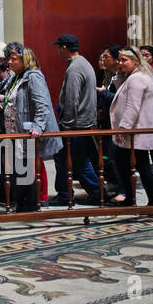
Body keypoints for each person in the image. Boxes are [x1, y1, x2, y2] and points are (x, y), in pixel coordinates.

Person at [2, 44, 63, 214]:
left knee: (27, 172)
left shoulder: (33, 76)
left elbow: (42, 105)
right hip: (16, 133)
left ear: (25, 60)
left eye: (14, 59)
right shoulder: (17, 77)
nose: (9, 62)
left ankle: (30, 206)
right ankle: (22, 205)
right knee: (19, 172)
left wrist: (38, 126)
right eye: (9, 58)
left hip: (27, 133)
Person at [50, 35, 101, 206]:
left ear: (64, 48)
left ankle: (88, 192)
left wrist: (66, 125)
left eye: (58, 48)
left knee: (70, 159)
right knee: (79, 160)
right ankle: (94, 192)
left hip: (75, 125)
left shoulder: (74, 69)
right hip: (84, 122)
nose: (57, 51)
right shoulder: (84, 63)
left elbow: (72, 99)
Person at [109, 47, 153, 207]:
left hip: (135, 132)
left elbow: (133, 106)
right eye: (119, 59)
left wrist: (123, 129)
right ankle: (133, 199)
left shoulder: (137, 79)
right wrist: (119, 74)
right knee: (128, 164)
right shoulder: (136, 76)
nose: (120, 63)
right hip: (134, 132)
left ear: (136, 61)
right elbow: (122, 93)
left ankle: (152, 203)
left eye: (124, 60)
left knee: (142, 167)